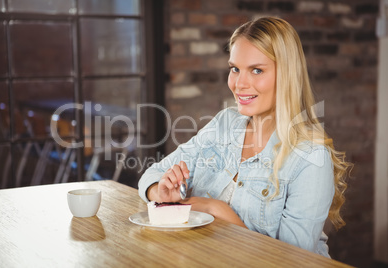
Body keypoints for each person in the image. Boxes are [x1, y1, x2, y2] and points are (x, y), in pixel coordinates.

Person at [138, 17, 352, 257]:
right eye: (235, 69)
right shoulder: (224, 123)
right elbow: (151, 175)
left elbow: (293, 258)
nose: (239, 83)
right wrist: (162, 194)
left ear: (287, 75)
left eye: (257, 70)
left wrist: (216, 209)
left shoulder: (310, 155)